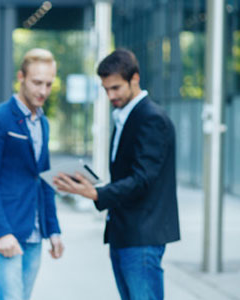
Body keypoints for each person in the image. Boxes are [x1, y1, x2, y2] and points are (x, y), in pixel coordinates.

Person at [53, 49, 180, 300]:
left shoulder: (151, 118)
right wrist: (90, 185)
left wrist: (97, 193)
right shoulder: (128, 115)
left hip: (142, 236)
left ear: (135, 78)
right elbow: (131, 174)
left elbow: (143, 179)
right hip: (125, 232)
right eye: (106, 89)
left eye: (116, 88)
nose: (111, 95)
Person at [0, 48, 64, 300]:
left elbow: (44, 178)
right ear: (21, 77)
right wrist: (1, 232)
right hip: (7, 228)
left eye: (48, 84)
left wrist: (53, 229)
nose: (43, 91)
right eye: (37, 82)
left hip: (35, 229)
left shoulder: (43, 122)